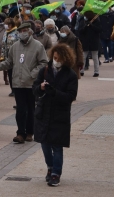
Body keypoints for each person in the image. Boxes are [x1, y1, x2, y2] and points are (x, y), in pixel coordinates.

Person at [0, 22, 48, 143]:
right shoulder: (15, 46)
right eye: (21, 31)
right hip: (18, 83)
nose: (23, 33)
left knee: (31, 108)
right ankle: (20, 133)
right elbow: (9, 62)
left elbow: (43, 63)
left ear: (30, 32)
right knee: (21, 109)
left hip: (31, 83)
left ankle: (30, 132)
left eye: (25, 30)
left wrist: (32, 74)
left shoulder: (38, 46)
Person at [33, 43, 79, 187]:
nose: (56, 60)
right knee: (44, 143)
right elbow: (35, 88)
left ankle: (56, 173)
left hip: (60, 114)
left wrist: (55, 92)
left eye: (58, 58)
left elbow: (71, 96)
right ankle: (50, 167)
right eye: (54, 57)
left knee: (57, 146)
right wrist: (40, 88)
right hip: (44, 111)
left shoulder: (70, 75)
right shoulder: (45, 70)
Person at [78, 11, 102, 77]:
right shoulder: (83, 21)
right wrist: (85, 27)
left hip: (94, 41)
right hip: (85, 41)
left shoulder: (96, 21)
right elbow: (80, 31)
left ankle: (96, 71)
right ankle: (81, 71)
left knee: (95, 57)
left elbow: (99, 29)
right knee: (83, 57)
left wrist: (92, 25)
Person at [1, 17, 20, 95]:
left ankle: (16, 90)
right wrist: (2, 56)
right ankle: (12, 90)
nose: (5, 26)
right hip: (7, 57)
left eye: (6, 24)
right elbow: (3, 45)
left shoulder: (16, 32)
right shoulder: (6, 32)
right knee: (10, 74)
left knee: (15, 74)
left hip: (15, 56)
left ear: (10, 24)